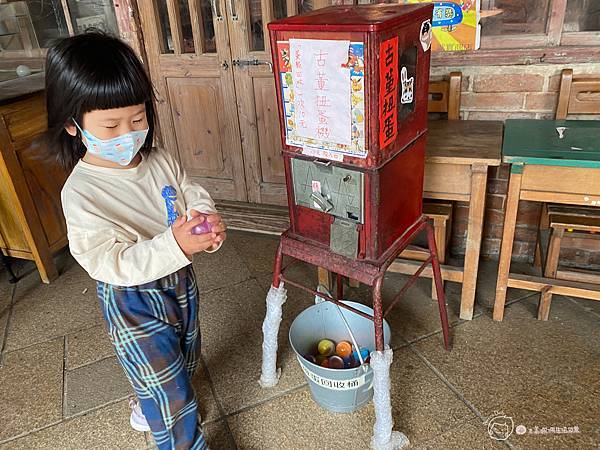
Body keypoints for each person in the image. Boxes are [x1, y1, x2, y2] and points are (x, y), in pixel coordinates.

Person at [46, 31, 225, 450]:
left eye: (138, 119)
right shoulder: (82, 192)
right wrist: (175, 246)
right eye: (110, 125)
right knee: (170, 394)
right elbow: (105, 261)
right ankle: (180, 436)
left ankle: (149, 404)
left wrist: (204, 219)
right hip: (132, 298)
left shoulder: (160, 159)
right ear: (74, 125)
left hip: (179, 280)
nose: (128, 133)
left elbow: (188, 190)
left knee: (183, 356)